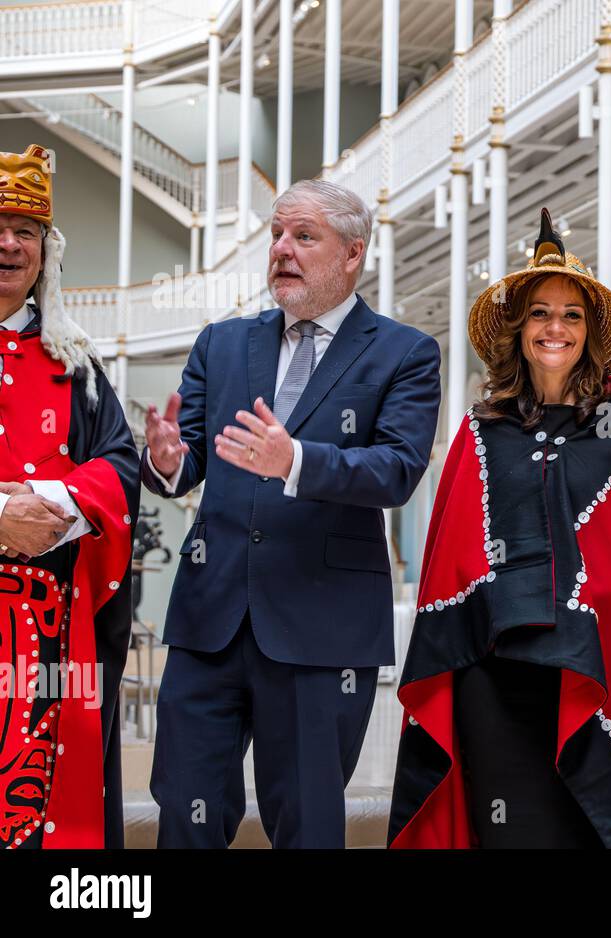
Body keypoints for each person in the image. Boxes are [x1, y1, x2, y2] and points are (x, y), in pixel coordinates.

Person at [144, 179, 442, 848]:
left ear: (352, 254)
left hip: (322, 630)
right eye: (277, 234)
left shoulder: (405, 353)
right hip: (209, 621)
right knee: (184, 813)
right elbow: (188, 459)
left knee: (307, 825)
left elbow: (396, 469)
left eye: (304, 236)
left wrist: (295, 461)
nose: (282, 248)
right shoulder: (220, 345)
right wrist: (166, 460)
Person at [388, 209, 611, 849]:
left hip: (589, 666)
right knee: (507, 829)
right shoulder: (481, 428)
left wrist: (588, 600)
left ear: (589, 332)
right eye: (540, 314)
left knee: (582, 831)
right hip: (492, 672)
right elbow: (452, 555)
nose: (556, 328)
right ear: (519, 329)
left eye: (572, 315)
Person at [0, 144, 139, 848]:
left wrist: (50, 509)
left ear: (45, 253)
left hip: (52, 631)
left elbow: (119, 464)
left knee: (44, 805)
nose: (8, 244)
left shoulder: (74, 361)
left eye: (24, 231)